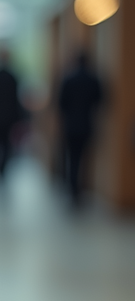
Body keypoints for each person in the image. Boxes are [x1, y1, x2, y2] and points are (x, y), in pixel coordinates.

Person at [57, 52, 103, 206]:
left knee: (73, 158)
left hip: (70, 125)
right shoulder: (93, 79)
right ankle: (82, 189)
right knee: (85, 158)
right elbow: (100, 100)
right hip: (87, 124)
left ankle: (73, 190)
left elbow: (61, 103)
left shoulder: (68, 79)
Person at [0, 47, 25, 182]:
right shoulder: (13, 77)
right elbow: (16, 100)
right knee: (6, 146)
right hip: (8, 117)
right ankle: (2, 169)